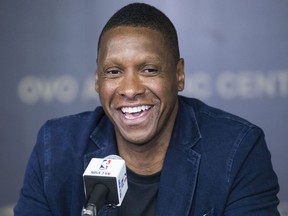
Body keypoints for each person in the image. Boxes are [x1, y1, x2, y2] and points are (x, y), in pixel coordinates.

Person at [14, 2, 280, 216]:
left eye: (149, 70)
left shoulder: (237, 149)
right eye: (114, 71)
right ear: (97, 80)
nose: (130, 89)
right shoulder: (56, 148)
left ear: (179, 75)